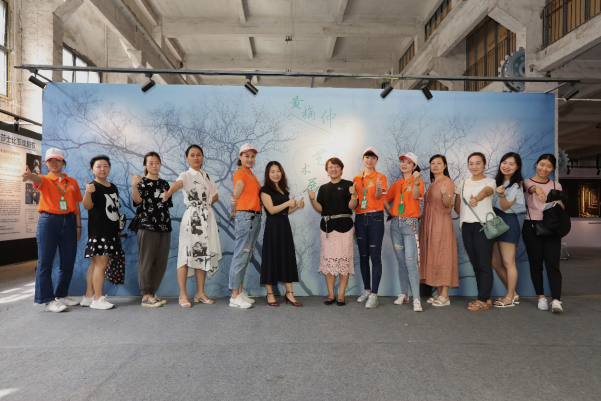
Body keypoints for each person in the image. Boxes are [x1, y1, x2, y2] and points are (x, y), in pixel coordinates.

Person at [22, 147, 83, 312]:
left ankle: (61, 295)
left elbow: (77, 205)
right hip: (49, 222)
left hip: (70, 221)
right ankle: (47, 300)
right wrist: (31, 175)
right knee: (45, 262)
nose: (54, 163)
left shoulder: (72, 182)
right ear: (46, 163)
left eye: (57, 160)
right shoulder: (44, 179)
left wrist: (78, 226)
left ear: (63, 162)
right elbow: (36, 178)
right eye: (50, 161)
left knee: (68, 262)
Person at [163, 145, 222, 308]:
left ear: (202, 157)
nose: (196, 157)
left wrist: (206, 204)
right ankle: (182, 294)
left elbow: (215, 194)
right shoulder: (186, 175)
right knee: (186, 254)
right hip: (192, 219)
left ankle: (200, 293)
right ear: (187, 158)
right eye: (192, 155)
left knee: (202, 254)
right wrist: (169, 192)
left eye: (199, 155)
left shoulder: (207, 176)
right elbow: (178, 184)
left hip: (207, 218)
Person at [308, 157, 358, 306]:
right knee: (328, 261)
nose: (333, 169)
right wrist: (312, 200)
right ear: (327, 170)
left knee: (343, 261)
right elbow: (321, 209)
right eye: (331, 167)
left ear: (341, 169)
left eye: (336, 166)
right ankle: (331, 294)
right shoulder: (323, 188)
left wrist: (354, 195)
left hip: (344, 227)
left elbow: (352, 206)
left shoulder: (349, 185)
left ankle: (341, 295)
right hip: (327, 228)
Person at [454, 152, 496, 312]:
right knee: (476, 263)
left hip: (483, 225)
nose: (474, 166)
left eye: (478, 163)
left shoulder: (490, 182)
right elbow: (457, 206)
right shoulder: (463, 183)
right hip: (467, 226)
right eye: (471, 163)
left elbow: (486, 192)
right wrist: (467, 216)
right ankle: (485, 297)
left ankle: (483, 300)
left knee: (484, 263)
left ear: (484, 164)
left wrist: (476, 199)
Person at [131, 152, 174, 308]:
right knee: (147, 261)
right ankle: (145, 296)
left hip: (164, 226)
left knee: (161, 262)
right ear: (145, 165)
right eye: (151, 163)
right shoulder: (141, 183)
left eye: (157, 163)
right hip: (147, 226)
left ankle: (152, 292)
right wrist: (134, 185)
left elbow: (167, 204)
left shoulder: (164, 183)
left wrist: (167, 196)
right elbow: (137, 201)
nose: (154, 166)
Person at [522, 154, 564, 313]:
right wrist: (538, 190)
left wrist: (558, 204)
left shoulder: (556, 185)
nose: (544, 168)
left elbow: (561, 208)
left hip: (552, 227)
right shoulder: (527, 182)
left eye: (549, 166)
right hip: (532, 225)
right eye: (542, 164)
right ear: (536, 164)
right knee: (536, 263)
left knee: (553, 264)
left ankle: (556, 301)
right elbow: (532, 188)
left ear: (553, 169)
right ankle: (541, 297)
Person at [260, 161, 305, 306]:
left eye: (278, 171)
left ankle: (289, 293)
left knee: (287, 257)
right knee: (271, 258)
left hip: (284, 226)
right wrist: (287, 203)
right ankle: (270, 293)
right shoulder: (265, 190)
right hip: (272, 227)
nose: (276, 174)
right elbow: (272, 210)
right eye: (272, 171)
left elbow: (285, 211)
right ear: (268, 174)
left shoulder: (283, 190)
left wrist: (296, 206)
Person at [383, 152, 424, 312]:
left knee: (410, 262)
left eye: (408, 162)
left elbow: (416, 195)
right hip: (395, 225)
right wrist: (390, 209)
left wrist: (415, 181)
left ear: (414, 166)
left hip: (410, 225)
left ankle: (417, 299)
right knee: (401, 262)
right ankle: (404, 294)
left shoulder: (418, 181)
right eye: (403, 161)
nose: (404, 164)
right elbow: (385, 198)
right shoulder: (397, 184)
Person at [82, 155, 122, 310]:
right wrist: (87, 192)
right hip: (99, 232)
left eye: (105, 166)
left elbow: (115, 210)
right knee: (101, 264)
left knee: (95, 264)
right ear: (92, 169)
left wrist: (117, 229)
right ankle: (98, 299)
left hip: (110, 231)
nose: (102, 169)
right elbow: (87, 206)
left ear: (109, 168)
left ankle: (88, 296)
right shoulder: (92, 186)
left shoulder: (113, 187)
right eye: (98, 166)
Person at [419, 155, 458, 307]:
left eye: (438, 163)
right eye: (432, 163)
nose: (435, 166)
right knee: (434, 255)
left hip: (441, 223)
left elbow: (448, 204)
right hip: (429, 222)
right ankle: (439, 292)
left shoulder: (447, 182)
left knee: (443, 255)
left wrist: (445, 194)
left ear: (445, 166)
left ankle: (445, 295)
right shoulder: (432, 183)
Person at [353, 147, 388, 309]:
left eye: (373, 158)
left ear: (376, 160)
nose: (370, 160)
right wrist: (352, 194)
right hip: (360, 218)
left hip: (375, 218)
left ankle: (374, 294)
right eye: (367, 157)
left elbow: (379, 197)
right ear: (363, 159)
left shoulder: (381, 177)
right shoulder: (356, 179)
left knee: (375, 256)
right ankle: (367, 289)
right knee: (363, 256)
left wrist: (379, 188)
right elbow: (355, 201)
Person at [228, 143, 262, 309]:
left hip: (253, 218)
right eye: (246, 156)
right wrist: (235, 197)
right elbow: (239, 185)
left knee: (246, 256)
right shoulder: (240, 173)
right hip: (246, 218)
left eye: (252, 156)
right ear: (240, 157)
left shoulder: (251, 175)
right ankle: (234, 297)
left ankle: (239, 292)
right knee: (241, 256)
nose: (250, 159)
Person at [492, 152, 526, 308]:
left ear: (517, 167)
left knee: (508, 262)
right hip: (494, 223)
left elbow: (505, 207)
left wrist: (501, 195)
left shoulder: (516, 185)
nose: (507, 166)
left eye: (511, 164)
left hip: (508, 222)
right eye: (504, 162)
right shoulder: (496, 182)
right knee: (495, 262)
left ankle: (509, 297)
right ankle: (513, 293)